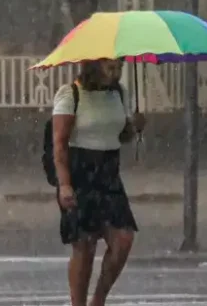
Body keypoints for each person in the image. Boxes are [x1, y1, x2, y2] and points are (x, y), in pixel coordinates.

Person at [51, 59, 145, 306]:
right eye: (110, 68)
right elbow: (59, 144)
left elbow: (121, 135)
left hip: (109, 173)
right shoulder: (71, 94)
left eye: (119, 68)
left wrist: (134, 127)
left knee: (123, 239)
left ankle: (98, 300)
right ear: (94, 65)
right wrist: (64, 184)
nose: (116, 74)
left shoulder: (119, 94)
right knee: (85, 245)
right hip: (79, 172)